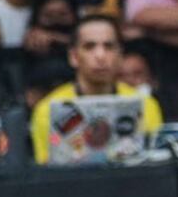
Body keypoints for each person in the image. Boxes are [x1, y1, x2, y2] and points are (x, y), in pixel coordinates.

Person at [30, 11, 163, 164]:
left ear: (120, 56)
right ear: (73, 56)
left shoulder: (145, 104)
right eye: (89, 46)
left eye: (109, 46)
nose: (100, 55)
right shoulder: (47, 110)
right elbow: (46, 172)